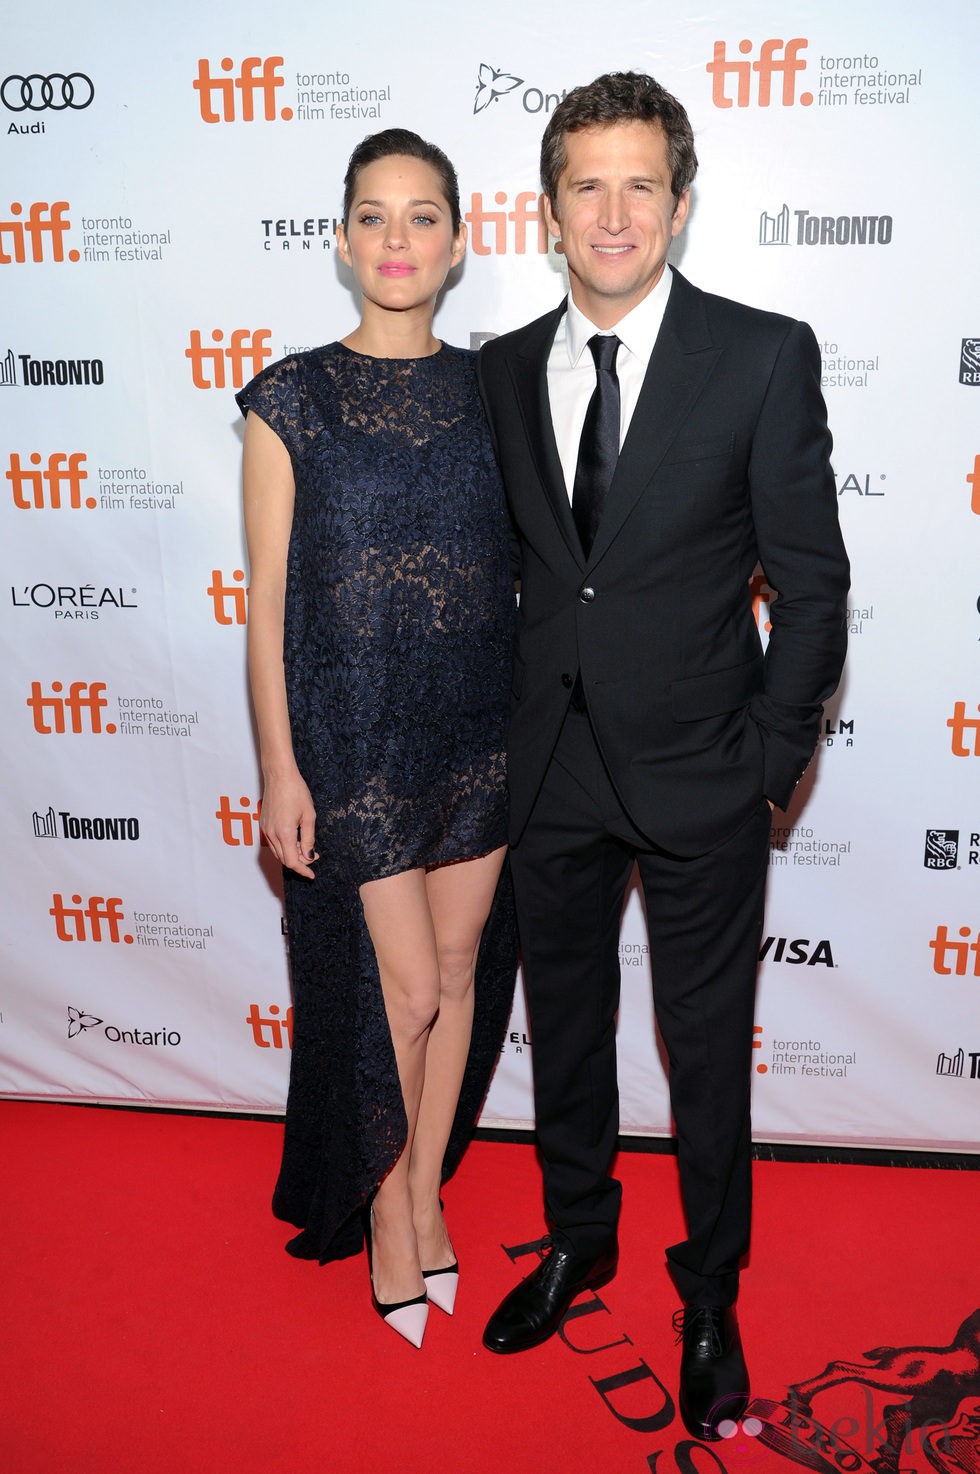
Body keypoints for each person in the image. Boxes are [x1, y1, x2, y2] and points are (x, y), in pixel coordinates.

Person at [478, 72, 849, 1439]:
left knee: (706, 1049)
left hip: (703, 764)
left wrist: (767, 765)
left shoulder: (762, 352)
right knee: (565, 1028)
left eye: (642, 183)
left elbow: (812, 584)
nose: (615, 210)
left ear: (681, 203)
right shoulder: (504, 369)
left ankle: (709, 1291)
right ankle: (578, 1236)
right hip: (550, 765)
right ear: (550, 206)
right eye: (588, 183)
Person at [238, 128, 517, 1349]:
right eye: (372, 216)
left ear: (458, 244)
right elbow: (263, 602)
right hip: (350, 739)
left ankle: (420, 1183)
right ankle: (393, 1213)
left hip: (478, 725)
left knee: (456, 978)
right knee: (401, 991)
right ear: (340, 238)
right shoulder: (288, 397)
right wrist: (277, 765)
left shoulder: (499, 389)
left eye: (420, 217)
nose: (396, 240)